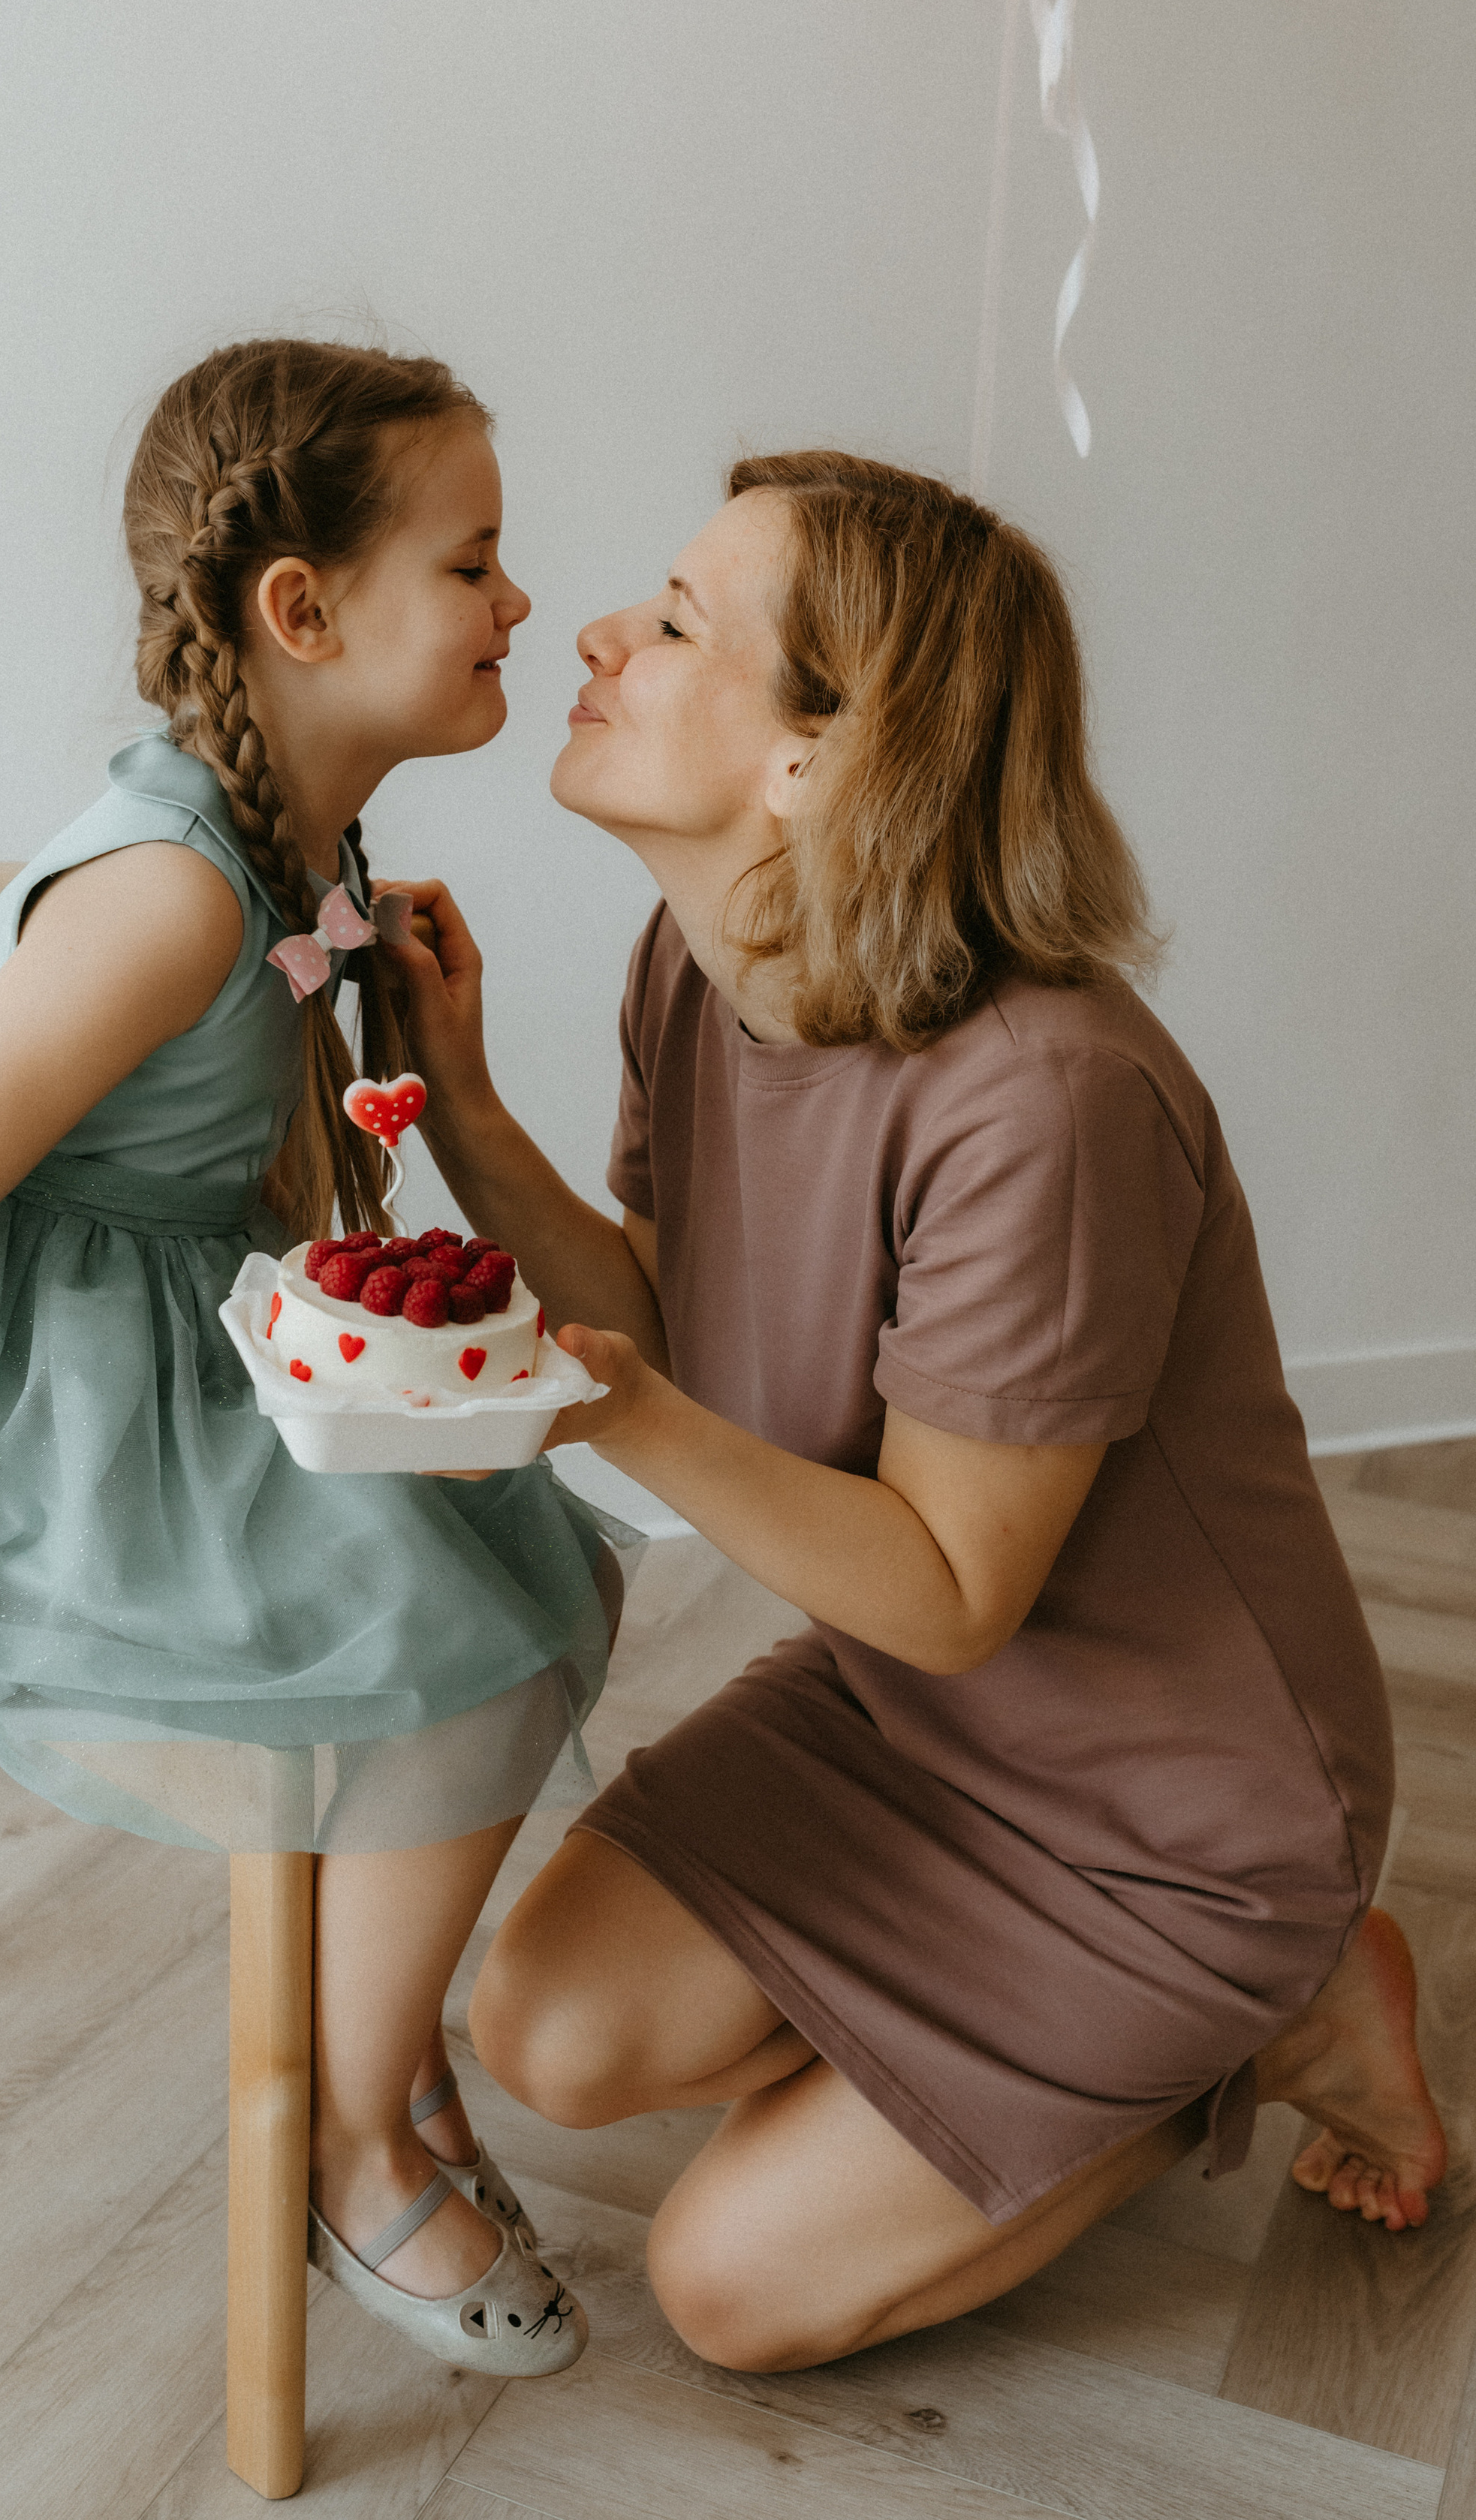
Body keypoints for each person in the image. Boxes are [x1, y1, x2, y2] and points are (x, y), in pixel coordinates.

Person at [384, 450, 1444, 2374]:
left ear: (818, 755)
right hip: (911, 1721)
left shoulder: (1042, 1096)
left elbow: (952, 1581)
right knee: (542, 2025)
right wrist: (459, 1102)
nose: (597, 631)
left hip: (1161, 1823)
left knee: (724, 2294)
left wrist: (605, 1414)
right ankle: (1006, 2052)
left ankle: (1266, 2015)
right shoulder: (699, 972)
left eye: (682, 620)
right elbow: (676, 1330)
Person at [0, 339, 608, 2375]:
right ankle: (360, 2138)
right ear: (305, 611)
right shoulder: (171, 893)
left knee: (540, 1554)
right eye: (479, 564)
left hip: (131, 1303)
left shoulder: (298, 854)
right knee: (472, 1636)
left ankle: (386, 2065)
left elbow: (273, 1147)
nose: (524, 605)